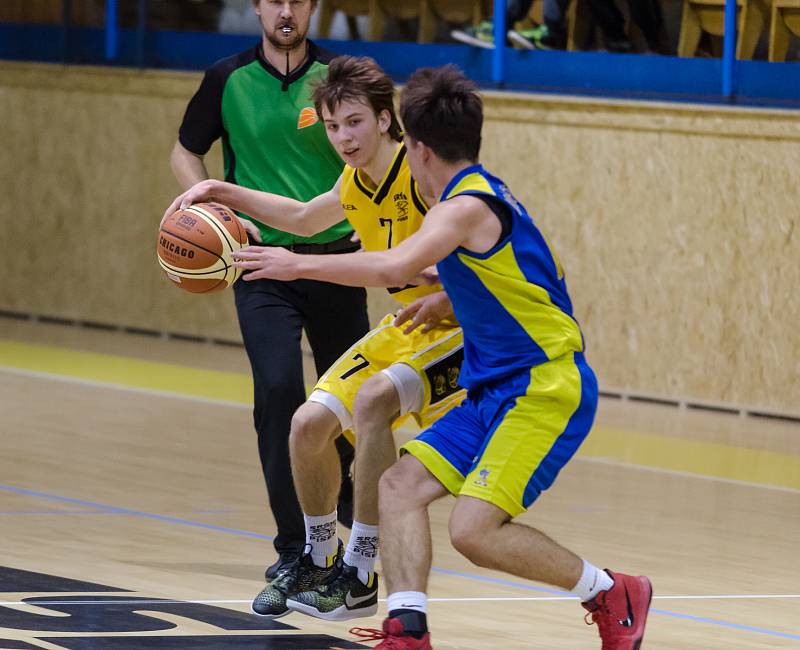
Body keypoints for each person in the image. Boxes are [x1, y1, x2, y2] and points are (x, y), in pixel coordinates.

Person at [231, 64, 653, 649]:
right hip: (492, 386)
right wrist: (452, 299)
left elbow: (391, 268)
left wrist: (292, 261)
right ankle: (406, 630)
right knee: (399, 488)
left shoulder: (463, 207)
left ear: (419, 149)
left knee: (472, 532)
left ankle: (611, 591)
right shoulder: (477, 197)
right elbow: (530, 278)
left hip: (542, 388)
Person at [165, 55, 466, 621]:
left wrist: (297, 268)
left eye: (353, 122)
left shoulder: (424, 173)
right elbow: (304, 217)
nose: (343, 137)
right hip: (409, 326)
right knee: (307, 425)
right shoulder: (355, 181)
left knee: (376, 405)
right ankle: (319, 554)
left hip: (466, 332)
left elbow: (458, 262)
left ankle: (360, 567)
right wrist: (218, 189)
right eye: (332, 126)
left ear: (384, 119)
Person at [169, 0, 369, 582]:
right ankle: (296, 546)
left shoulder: (340, 79)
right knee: (279, 392)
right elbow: (186, 150)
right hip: (260, 265)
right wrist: (214, 207)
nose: (287, 11)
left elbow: (381, 154)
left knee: (349, 403)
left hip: (334, 262)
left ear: (314, 8)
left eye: (299, 1)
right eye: (275, 0)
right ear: (256, 6)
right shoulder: (226, 79)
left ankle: (350, 506)